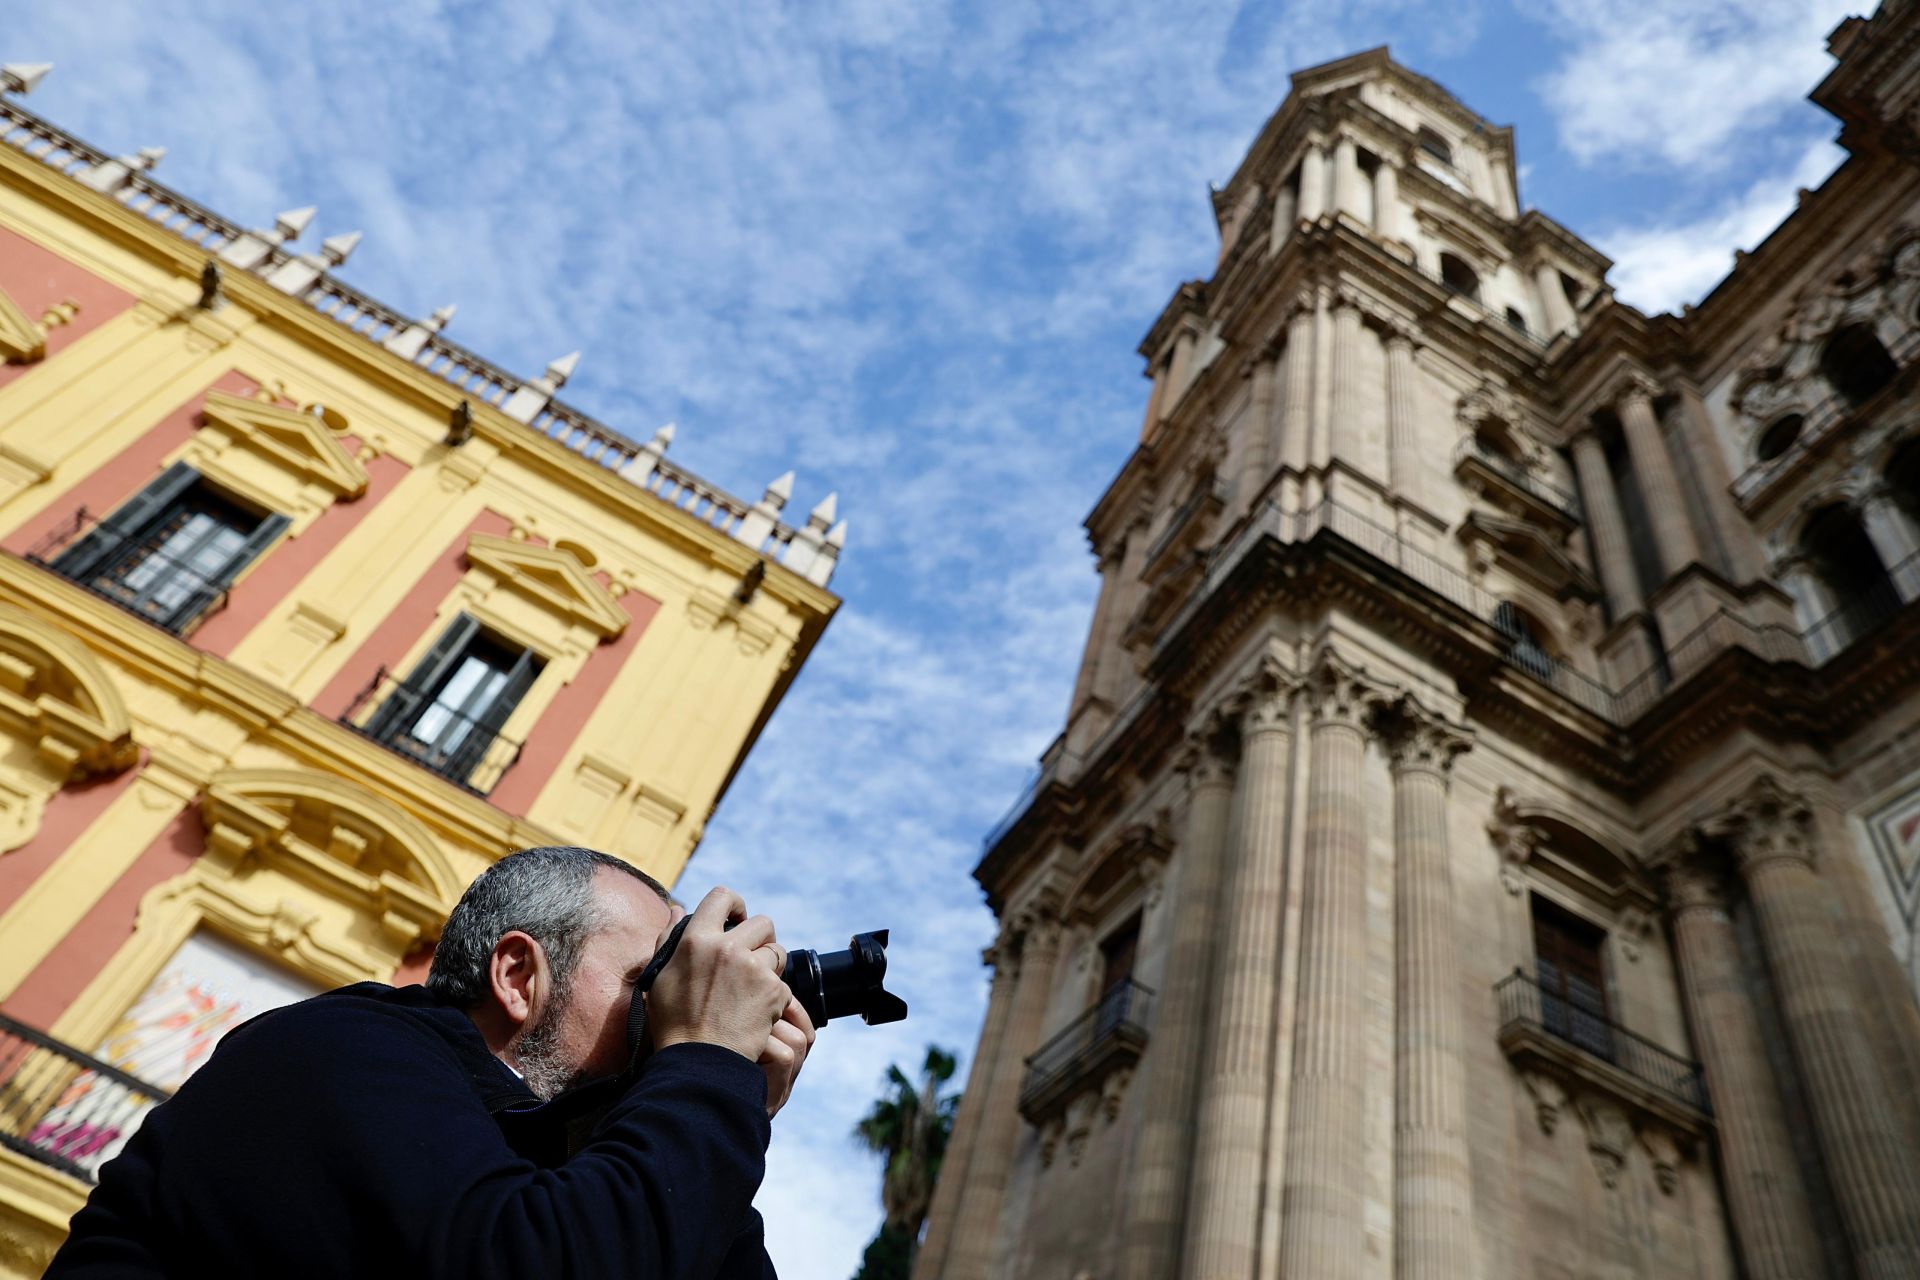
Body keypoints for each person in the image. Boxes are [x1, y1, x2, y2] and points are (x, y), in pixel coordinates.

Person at [45, 845, 815, 1278]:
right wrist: (704, 1067)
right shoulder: (340, 1052)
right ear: (519, 977)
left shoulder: (550, 1164)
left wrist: (731, 1106)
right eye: (655, 981)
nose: (675, 1010)